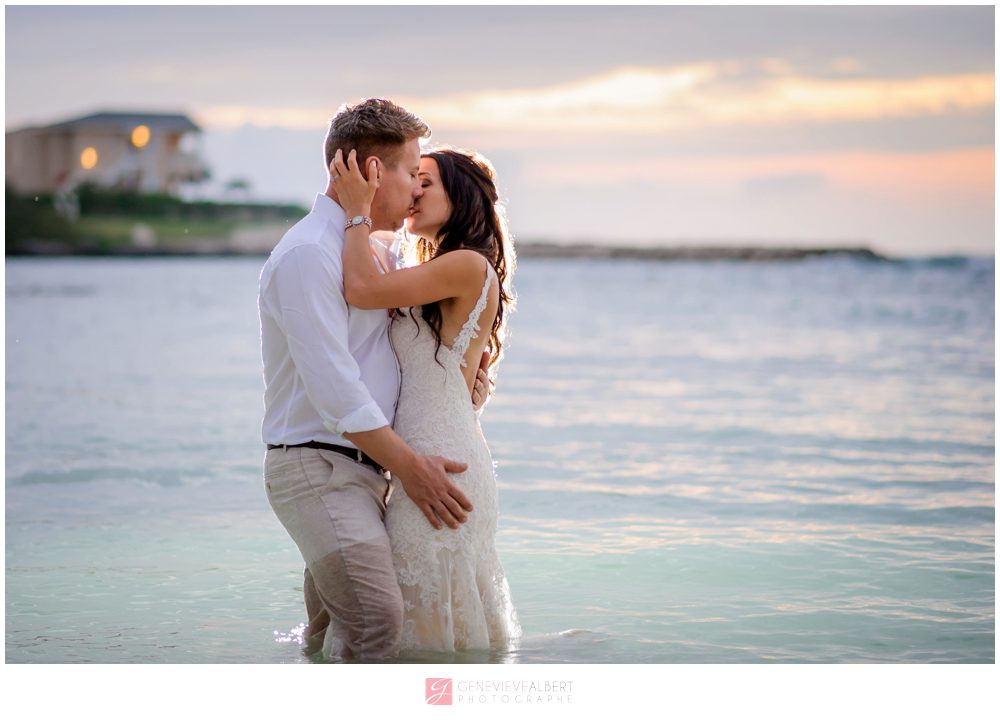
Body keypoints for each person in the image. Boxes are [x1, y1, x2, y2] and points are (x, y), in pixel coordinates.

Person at [258, 99, 490, 662]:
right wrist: (413, 469)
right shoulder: (310, 256)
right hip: (320, 466)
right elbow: (335, 389)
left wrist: (463, 382)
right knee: (376, 623)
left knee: (327, 637)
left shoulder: (373, 251)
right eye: (412, 173)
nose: (415, 189)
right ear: (370, 173)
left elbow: (423, 336)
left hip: (365, 471)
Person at [330, 144, 520, 653]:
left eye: (426, 182)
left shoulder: (466, 264)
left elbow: (363, 290)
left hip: (441, 465)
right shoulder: (440, 266)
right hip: (431, 456)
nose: (414, 190)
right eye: (413, 178)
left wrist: (355, 212)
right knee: (418, 627)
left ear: (458, 196)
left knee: (418, 636)